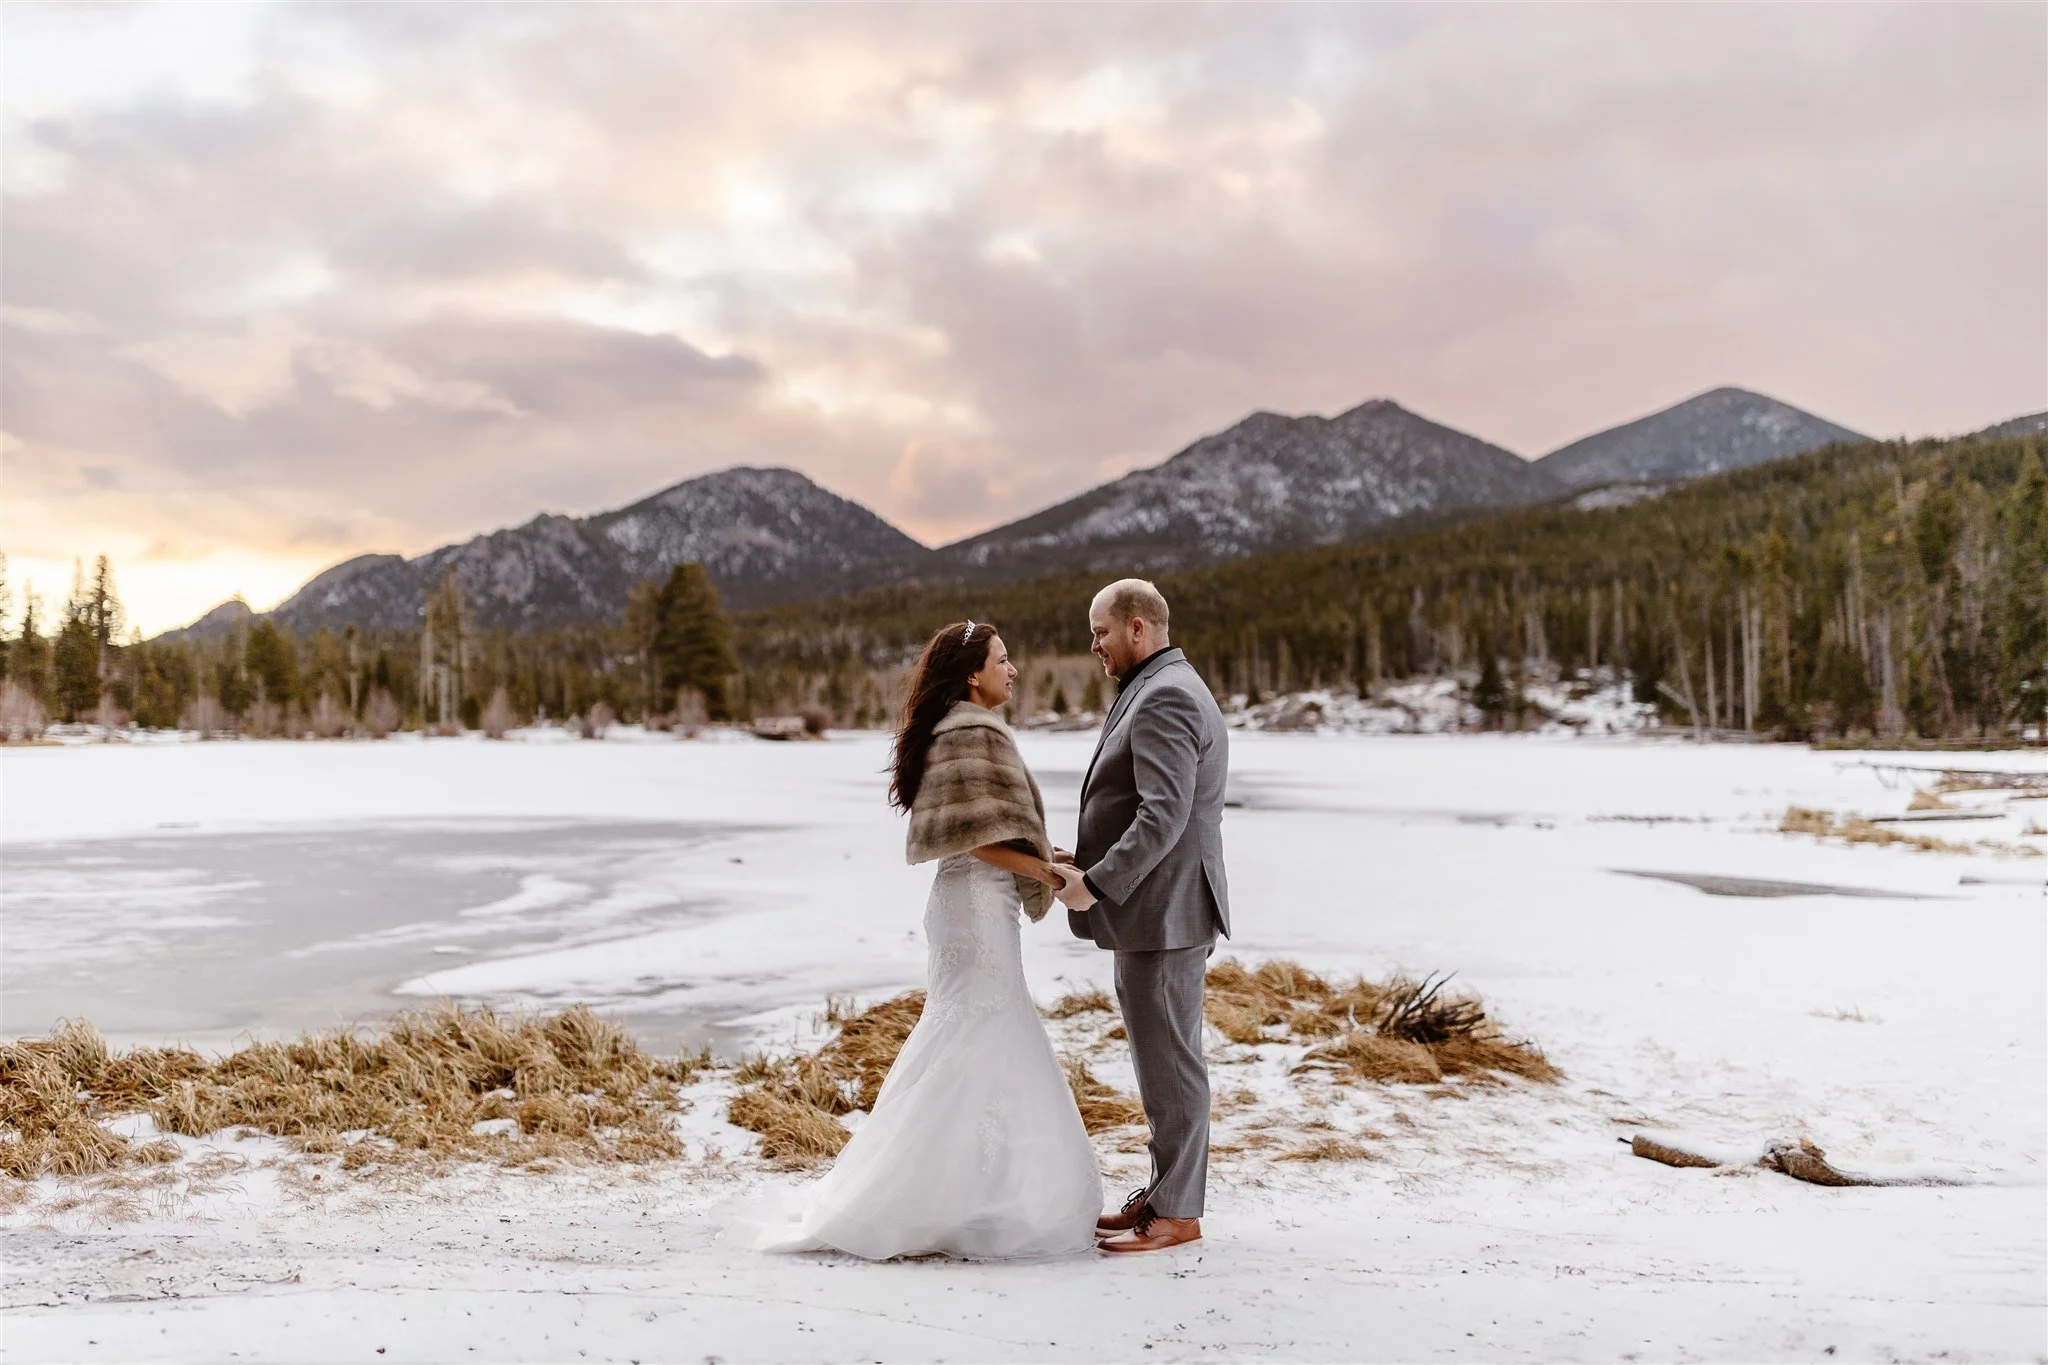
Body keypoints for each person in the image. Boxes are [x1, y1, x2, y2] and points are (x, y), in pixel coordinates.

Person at [744, 621, 1102, 1260]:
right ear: (973, 674)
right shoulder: (971, 732)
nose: (1012, 669)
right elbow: (978, 841)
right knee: (976, 1033)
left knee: (973, 1034)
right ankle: (923, 1196)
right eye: (1002, 659)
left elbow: (990, 831)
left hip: (973, 904)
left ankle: (965, 1191)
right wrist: (1048, 872)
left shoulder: (963, 729)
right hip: (974, 907)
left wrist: (1047, 855)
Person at [1051, 579, 1230, 1254]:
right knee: (1162, 1061)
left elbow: (1164, 814)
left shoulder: (1167, 696)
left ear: (1135, 627)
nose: (1092, 644)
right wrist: (1086, 855)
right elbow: (1147, 807)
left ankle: (1179, 1212)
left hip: (1164, 912)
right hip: (1159, 909)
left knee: (1172, 1065)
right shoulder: (1161, 686)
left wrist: (1094, 883)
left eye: (1098, 631)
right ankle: (1164, 1192)